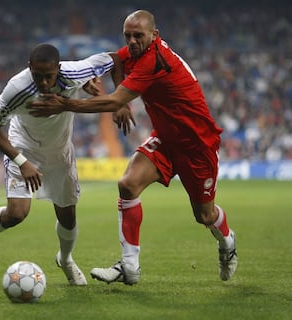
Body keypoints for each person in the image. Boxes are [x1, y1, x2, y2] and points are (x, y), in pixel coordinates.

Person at [29, 10, 238, 284]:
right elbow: (114, 59)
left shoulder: (154, 61)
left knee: (204, 215)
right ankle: (129, 267)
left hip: (196, 145)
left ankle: (228, 243)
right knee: (128, 184)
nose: (132, 41)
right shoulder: (136, 52)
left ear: (155, 35)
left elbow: (112, 102)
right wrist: (118, 95)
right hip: (165, 138)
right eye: (127, 36)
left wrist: (67, 103)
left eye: (138, 35)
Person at [0, 43, 127, 286]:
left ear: (58, 68)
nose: (44, 83)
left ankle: (65, 259)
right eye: (37, 76)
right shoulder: (17, 88)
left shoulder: (75, 72)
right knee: (17, 214)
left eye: (48, 76)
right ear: (29, 68)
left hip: (60, 152)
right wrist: (22, 161)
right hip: (24, 147)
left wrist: (119, 101)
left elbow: (115, 59)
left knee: (68, 217)